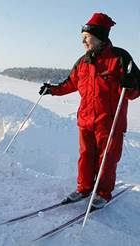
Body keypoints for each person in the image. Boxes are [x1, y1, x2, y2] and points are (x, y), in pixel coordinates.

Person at [39, 13, 140, 209]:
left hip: (110, 122)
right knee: (86, 155)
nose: (83, 41)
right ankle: (84, 188)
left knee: (107, 159)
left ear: (99, 36)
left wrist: (131, 84)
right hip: (86, 120)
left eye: (86, 37)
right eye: (82, 38)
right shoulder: (83, 62)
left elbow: (135, 89)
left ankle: (102, 193)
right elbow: (70, 84)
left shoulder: (119, 57)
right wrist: (52, 90)